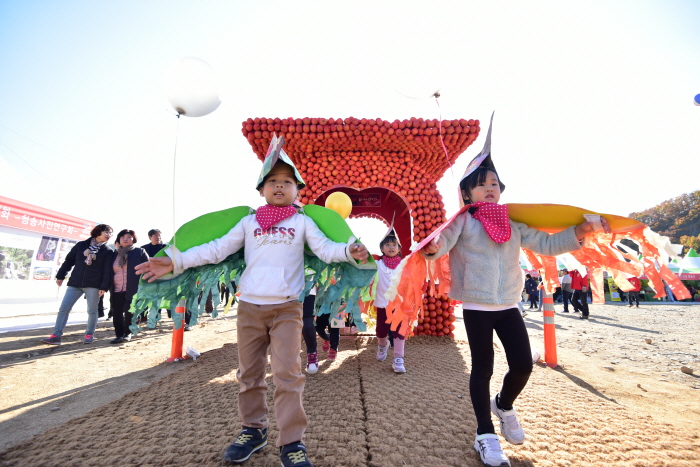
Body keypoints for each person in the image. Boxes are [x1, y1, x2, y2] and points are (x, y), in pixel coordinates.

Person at [135, 140, 369, 467]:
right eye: (272, 181)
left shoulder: (302, 221)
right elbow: (214, 249)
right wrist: (176, 261)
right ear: (261, 189)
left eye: (287, 182)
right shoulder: (248, 222)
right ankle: (253, 430)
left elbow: (326, 249)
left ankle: (291, 443)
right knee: (249, 374)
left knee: (288, 374)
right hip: (250, 311)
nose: (279, 186)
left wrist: (348, 252)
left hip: (287, 309)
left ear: (297, 190)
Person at [421, 121, 609, 467]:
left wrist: (581, 230)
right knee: (482, 368)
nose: (489, 188)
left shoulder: (513, 222)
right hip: (477, 306)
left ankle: (503, 405)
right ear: (466, 193)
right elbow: (440, 244)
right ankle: (485, 435)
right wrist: (432, 247)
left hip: (509, 305)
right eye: (481, 185)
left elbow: (549, 243)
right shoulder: (462, 220)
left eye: (494, 183)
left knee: (523, 365)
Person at [41, 224, 113, 345]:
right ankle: (56, 335)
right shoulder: (81, 245)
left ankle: (89, 334)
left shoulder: (108, 251)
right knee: (64, 308)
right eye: (106, 232)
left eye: (110, 233)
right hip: (75, 282)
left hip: (93, 285)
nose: (108, 235)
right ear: (97, 232)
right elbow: (69, 261)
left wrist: (104, 287)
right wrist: (61, 275)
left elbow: (107, 271)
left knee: (92, 311)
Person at [373, 229, 407, 373]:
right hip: (382, 304)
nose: (391, 247)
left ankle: (398, 359)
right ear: (382, 248)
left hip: (400, 306)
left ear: (399, 248)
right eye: (387, 245)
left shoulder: (405, 264)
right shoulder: (377, 263)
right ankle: (382, 346)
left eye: (394, 244)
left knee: (400, 331)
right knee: (381, 330)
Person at [109, 229, 149, 344]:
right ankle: (119, 335)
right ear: (118, 240)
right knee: (116, 312)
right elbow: (108, 271)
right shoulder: (114, 254)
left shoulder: (140, 252)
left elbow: (147, 269)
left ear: (133, 239)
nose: (125, 239)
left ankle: (128, 333)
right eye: (122, 237)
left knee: (129, 311)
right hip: (116, 288)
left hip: (133, 288)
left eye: (129, 237)